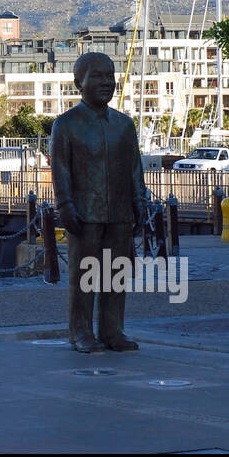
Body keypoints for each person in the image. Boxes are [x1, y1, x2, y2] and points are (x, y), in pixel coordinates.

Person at [49, 51, 147, 353]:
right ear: (79, 82)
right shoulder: (65, 124)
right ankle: (80, 331)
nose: (107, 82)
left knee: (116, 273)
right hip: (84, 213)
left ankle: (113, 330)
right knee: (84, 276)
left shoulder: (124, 125)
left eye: (110, 76)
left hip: (119, 212)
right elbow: (60, 169)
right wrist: (65, 204)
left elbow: (135, 167)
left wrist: (139, 200)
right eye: (99, 76)